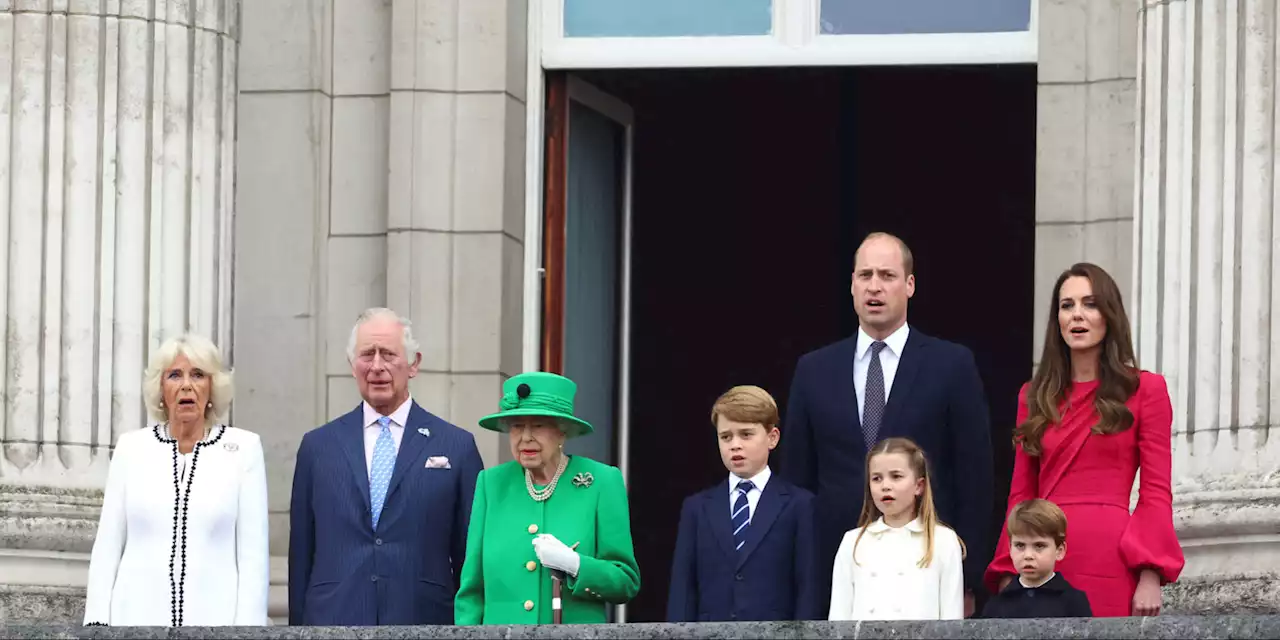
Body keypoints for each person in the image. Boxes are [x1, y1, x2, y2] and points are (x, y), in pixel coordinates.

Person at [779, 231, 992, 615]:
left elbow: (974, 477)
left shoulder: (951, 365)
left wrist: (968, 576)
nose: (874, 287)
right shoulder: (814, 370)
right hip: (835, 569)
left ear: (910, 284)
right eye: (865, 276)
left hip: (925, 569)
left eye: (887, 275)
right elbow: (797, 479)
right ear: (852, 285)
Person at [984, 263, 1184, 617]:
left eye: (1089, 304)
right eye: (1067, 305)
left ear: (1109, 315)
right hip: (1044, 556)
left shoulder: (1145, 390)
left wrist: (1150, 572)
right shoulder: (1033, 397)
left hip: (1111, 558)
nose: (1077, 315)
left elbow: (1156, 490)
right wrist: (1007, 565)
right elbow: (1021, 493)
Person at [288, 308, 484, 625]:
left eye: (389, 354)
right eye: (367, 354)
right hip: (333, 620)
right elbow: (301, 554)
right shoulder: (317, 447)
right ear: (352, 365)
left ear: (414, 363)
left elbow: (470, 557)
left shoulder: (456, 446)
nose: (377, 366)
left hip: (425, 621)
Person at [83, 334, 268, 627]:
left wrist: (249, 631)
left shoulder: (244, 450)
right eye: (174, 375)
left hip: (215, 626)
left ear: (212, 387)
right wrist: (96, 625)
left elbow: (254, 559)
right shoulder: (131, 449)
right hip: (134, 623)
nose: (186, 385)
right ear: (160, 389)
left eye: (197, 375)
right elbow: (107, 545)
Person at [455, 372, 640, 625]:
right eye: (517, 426)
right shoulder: (491, 484)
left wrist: (576, 565)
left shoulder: (601, 481)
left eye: (539, 425)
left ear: (562, 432)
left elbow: (626, 582)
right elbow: (471, 591)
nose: (526, 437)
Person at [667, 386, 819, 622]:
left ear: (772, 438)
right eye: (725, 436)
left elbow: (808, 587)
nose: (734, 445)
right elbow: (683, 589)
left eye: (746, 434)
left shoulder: (800, 504)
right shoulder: (697, 508)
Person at [827, 437, 964, 620]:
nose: (885, 486)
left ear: (919, 485)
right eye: (877, 478)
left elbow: (952, 620)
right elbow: (838, 618)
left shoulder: (943, 541)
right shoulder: (853, 542)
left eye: (896, 476)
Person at [982, 499, 1092, 618]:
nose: (1028, 555)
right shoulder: (996, 606)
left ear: (1059, 551)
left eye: (1039, 546)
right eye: (1020, 545)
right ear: (1010, 548)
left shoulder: (1073, 602)